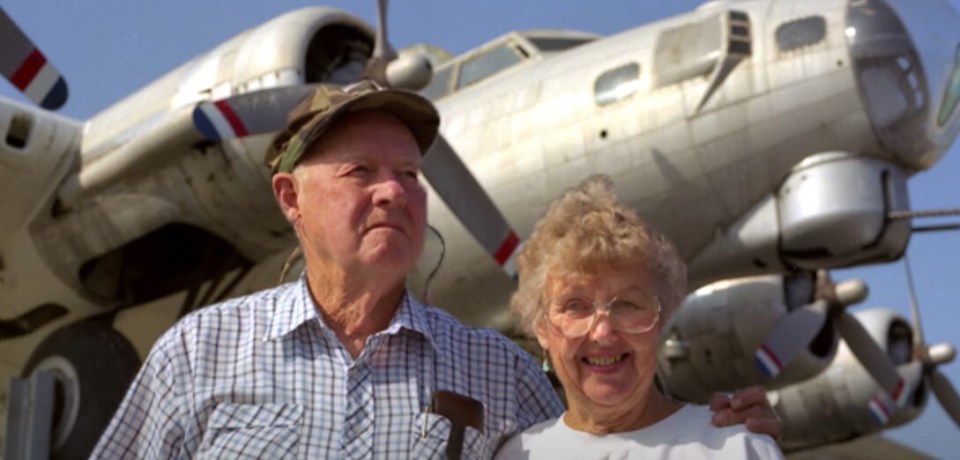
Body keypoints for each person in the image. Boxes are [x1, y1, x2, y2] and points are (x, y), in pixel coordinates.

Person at [92, 82, 780, 459]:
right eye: (360, 171)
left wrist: (716, 430)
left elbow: (612, 438)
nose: (394, 191)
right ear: (290, 199)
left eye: (410, 175)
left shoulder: (502, 376)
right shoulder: (196, 353)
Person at [494, 176, 783, 459]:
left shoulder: (735, 448)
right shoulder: (516, 455)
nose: (603, 332)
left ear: (662, 317)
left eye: (627, 305)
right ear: (541, 327)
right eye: (574, 306)